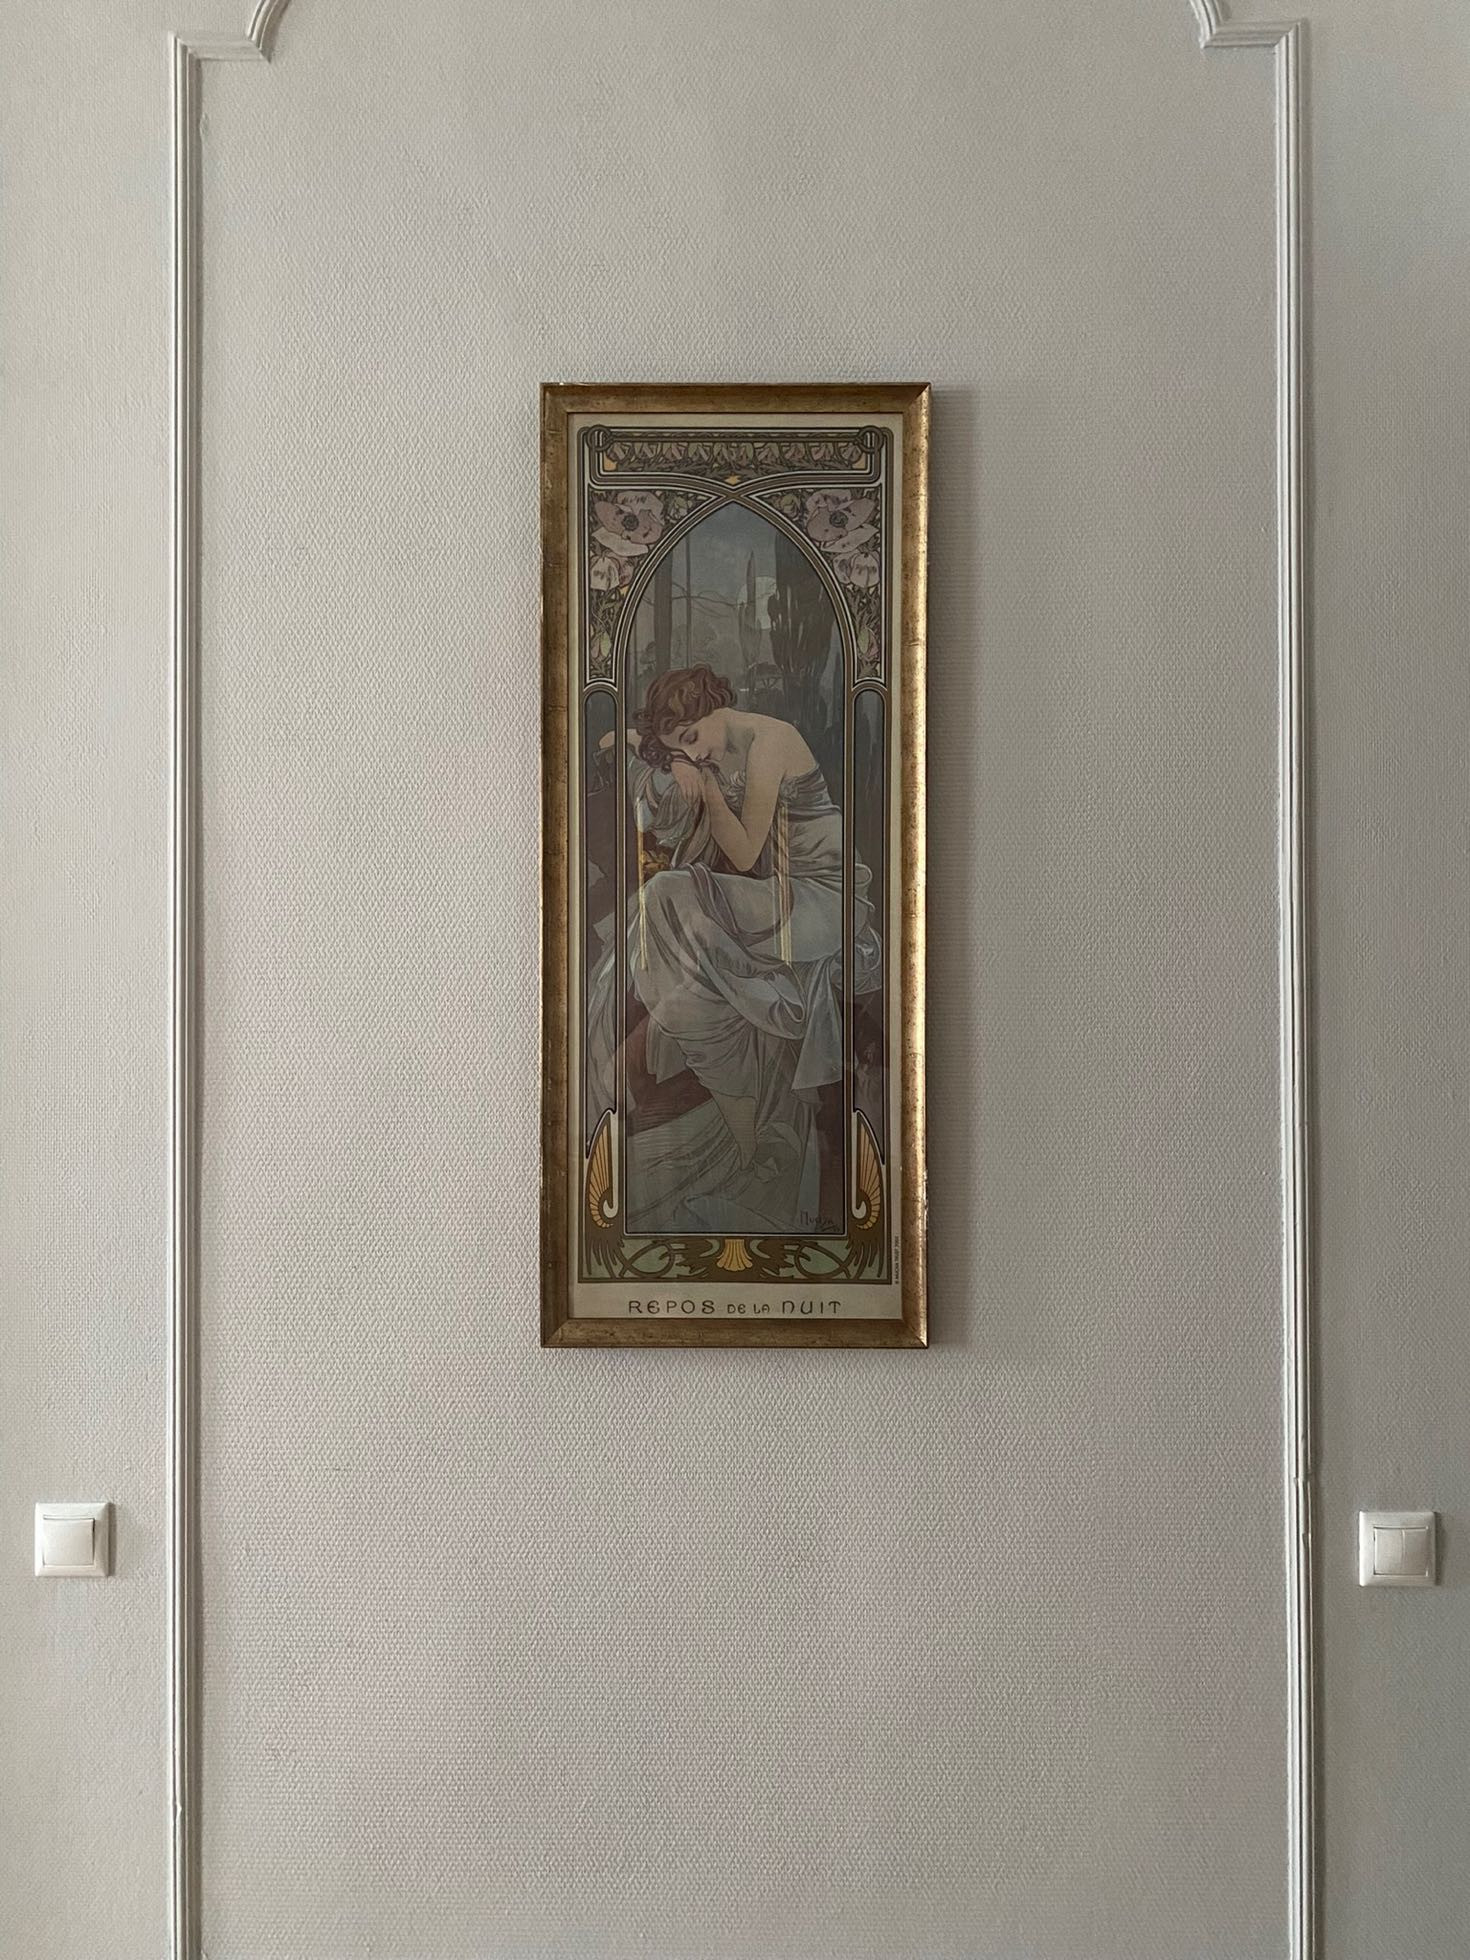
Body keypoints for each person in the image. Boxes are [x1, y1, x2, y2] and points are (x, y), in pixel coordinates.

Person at [587, 664, 880, 1236]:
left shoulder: (771, 741)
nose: (698, 753)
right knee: (670, 913)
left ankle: (740, 1106)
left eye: (695, 736)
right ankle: (734, 1098)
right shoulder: (712, 748)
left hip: (822, 900)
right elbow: (612, 739)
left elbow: (745, 853)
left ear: (715, 705)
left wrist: (705, 782)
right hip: (781, 897)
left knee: (667, 896)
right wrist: (675, 758)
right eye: (685, 746)